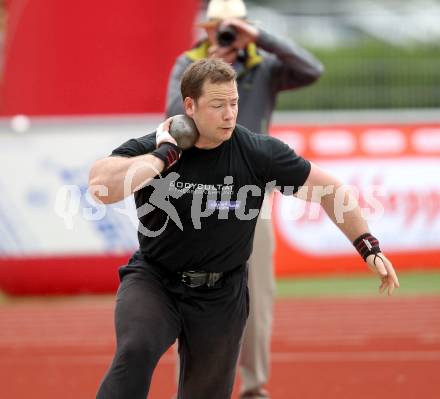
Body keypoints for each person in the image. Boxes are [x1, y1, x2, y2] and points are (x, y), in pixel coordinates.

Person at [90, 58, 399, 399]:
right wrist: (163, 156)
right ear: (189, 105)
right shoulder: (158, 145)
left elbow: (331, 191)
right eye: (218, 105)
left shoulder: (255, 151)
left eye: (234, 103)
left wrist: (367, 245)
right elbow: (101, 187)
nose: (229, 114)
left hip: (221, 293)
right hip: (155, 280)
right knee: (136, 349)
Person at [165, 1, 324, 396]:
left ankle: (254, 387)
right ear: (206, 29)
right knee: (192, 292)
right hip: (198, 192)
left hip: (253, 190)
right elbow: (171, 116)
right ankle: (193, 387)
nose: (226, 36)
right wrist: (203, 77)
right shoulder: (188, 62)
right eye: (219, 28)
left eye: (232, 28)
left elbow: (311, 70)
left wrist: (261, 39)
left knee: (257, 294)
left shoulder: (262, 65)